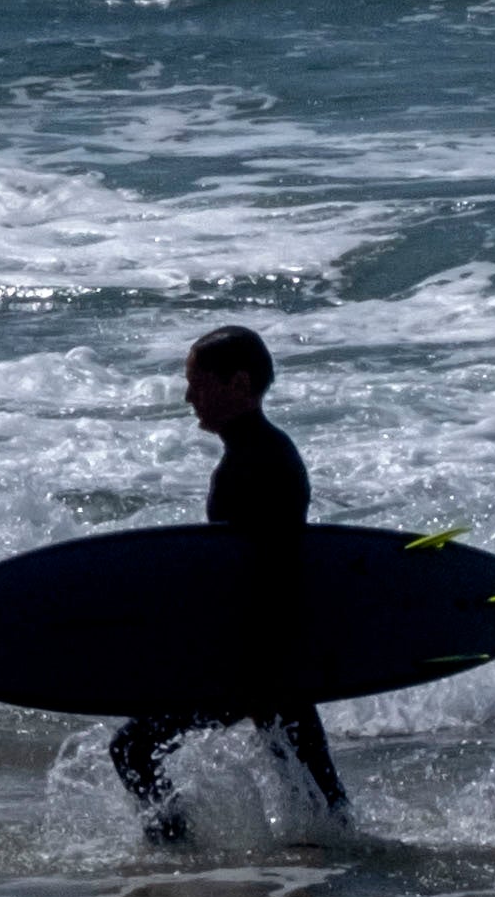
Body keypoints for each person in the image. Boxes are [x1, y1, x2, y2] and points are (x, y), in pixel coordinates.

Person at [111, 322, 344, 837]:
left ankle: (175, 856)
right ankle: (326, 872)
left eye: (198, 382)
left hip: (261, 657)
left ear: (238, 384)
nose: (188, 395)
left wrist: (254, 671)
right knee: (314, 787)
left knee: (132, 748)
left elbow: (271, 570)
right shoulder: (257, 453)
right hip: (271, 655)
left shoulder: (258, 463)